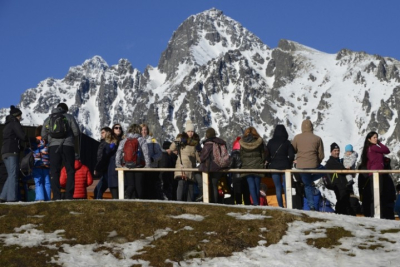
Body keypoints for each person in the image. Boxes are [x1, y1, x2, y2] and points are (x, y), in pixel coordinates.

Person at [41, 103, 80, 200]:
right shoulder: (69, 117)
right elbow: (76, 132)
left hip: (54, 147)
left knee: (54, 171)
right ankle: (69, 196)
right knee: (70, 170)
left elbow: (43, 135)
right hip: (68, 146)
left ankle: (56, 196)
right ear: (65, 110)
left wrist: (51, 139)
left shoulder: (49, 119)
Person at [359, 131, 395, 219]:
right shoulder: (373, 147)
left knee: (378, 194)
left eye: (377, 137)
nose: (376, 139)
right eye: (374, 137)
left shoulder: (369, 148)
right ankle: (377, 214)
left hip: (377, 173)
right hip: (377, 173)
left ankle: (377, 214)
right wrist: (379, 143)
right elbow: (386, 150)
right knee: (378, 194)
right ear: (369, 139)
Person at [292, 119, 325, 211]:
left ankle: (311, 206)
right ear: (312, 127)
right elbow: (321, 155)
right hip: (314, 165)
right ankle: (311, 205)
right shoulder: (317, 138)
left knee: (307, 184)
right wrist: (316, 162)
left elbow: (292, 150)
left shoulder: (297, 138)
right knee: (324, 170)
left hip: (301, 166)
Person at [115, 123, 150, 199]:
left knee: (131, 184)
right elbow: (146, 153)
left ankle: (128, 197)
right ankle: (139, 201)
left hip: (127, 165)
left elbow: (119, 152)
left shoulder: (124, 140)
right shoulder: (141, 140)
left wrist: (118, 164)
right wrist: (147, 165)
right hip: (139, 165)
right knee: (139, 185)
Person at [0, 105, 27, 202]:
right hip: (12, 151)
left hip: (5, 152)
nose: (20, 117)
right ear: (17, 115)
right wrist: (31, 140)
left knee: (10, 174)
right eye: (20, 115)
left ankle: (3, 196)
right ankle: (12, 198)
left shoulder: (7, 124)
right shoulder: (15, 123)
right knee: (14, 175)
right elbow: (22, 136)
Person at [169, 120, 200, 201]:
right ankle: (179, 203)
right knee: (181, 185)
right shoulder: (181, 140)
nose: (190, 133)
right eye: (189, 131)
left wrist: (200, 151)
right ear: (186, 132)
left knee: (190, 188)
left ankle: (189, 206)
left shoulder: (195, 143)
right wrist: (178, 141)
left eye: (192, 131)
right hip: (182, 167)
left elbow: (198, 158)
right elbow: (172, 148)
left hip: (191, 168)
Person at [266, 125, 295, 208]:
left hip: (274, 166)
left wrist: (271, 161)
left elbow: (266, 154)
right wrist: (288, 163)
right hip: (285, 166)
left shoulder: (271, 142)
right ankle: (288, 205)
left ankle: (280, 206)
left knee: (278, 187)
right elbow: (292, 155)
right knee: (286, 187)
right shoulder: (287, 142)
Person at [324, 143, 354, 216]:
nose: (337, 152)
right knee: (342, 201)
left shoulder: (339, 161)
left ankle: (341, 216)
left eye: (338, 150)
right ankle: (339, 217)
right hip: (338, 185)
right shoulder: (331, 162)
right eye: (335, 150)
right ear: (331, 151)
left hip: (344, 185)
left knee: (345, 202)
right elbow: (342, 169)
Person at [199, 127, 228, 203]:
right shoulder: (221, 142)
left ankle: (214, 202)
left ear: (207, 135)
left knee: (213, 185)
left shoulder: (208, 144)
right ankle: (216, 201)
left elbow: (203, 157)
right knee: (215, 184)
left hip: (212, 167)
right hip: (221, 166)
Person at [239, 127, 267, 206]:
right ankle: (257, 202)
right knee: (257, 185)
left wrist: (244, 162)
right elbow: (262, 153)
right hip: (258, 165)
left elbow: (241, 155)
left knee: (251, 185)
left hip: (247, 166)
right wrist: (261, 161)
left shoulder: (242, 142)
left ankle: (255, 203)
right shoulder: (259, 141)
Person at [140, 124, 162, 199]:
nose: (143, 131)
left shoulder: (153, 141)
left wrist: (153, 159)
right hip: (141, 167)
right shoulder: (137, 140)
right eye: (142, 130)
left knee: (151, 187)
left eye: (145, 130)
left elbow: (159, 153)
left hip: (152, 167)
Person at [93, 127, 116, 199]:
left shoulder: (107, 144)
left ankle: (98, 206)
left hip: (107, 170)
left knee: (98, 190)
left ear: (108, 133)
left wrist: (97, 168)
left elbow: (103, 157)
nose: (101, 134)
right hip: (106, 170)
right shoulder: (107, 143)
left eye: (103, 132)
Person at [31, 125, 51, 201]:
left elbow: (28, 152)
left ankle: (40, 198)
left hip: (36, 164)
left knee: (38, 182)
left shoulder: (33, 142)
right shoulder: (47, 141)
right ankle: (47, 199)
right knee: (47, 182)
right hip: (46, 164)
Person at [229, 137, 250, 205]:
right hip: (245, 175)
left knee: (238, 194)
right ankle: (248, 207)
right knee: (246, 193)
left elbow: (231, 165)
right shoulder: (246, 153)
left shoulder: (234, 154)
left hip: (236, 176)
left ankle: (238, 207)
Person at [107, 123, 124, 199]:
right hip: (112, 167)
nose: (118, 129)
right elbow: (106, 152)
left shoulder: (124, 140)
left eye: (120, 128)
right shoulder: (109, 140)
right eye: (116, 128)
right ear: (113, 130)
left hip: (122, 166)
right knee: (114, 193)